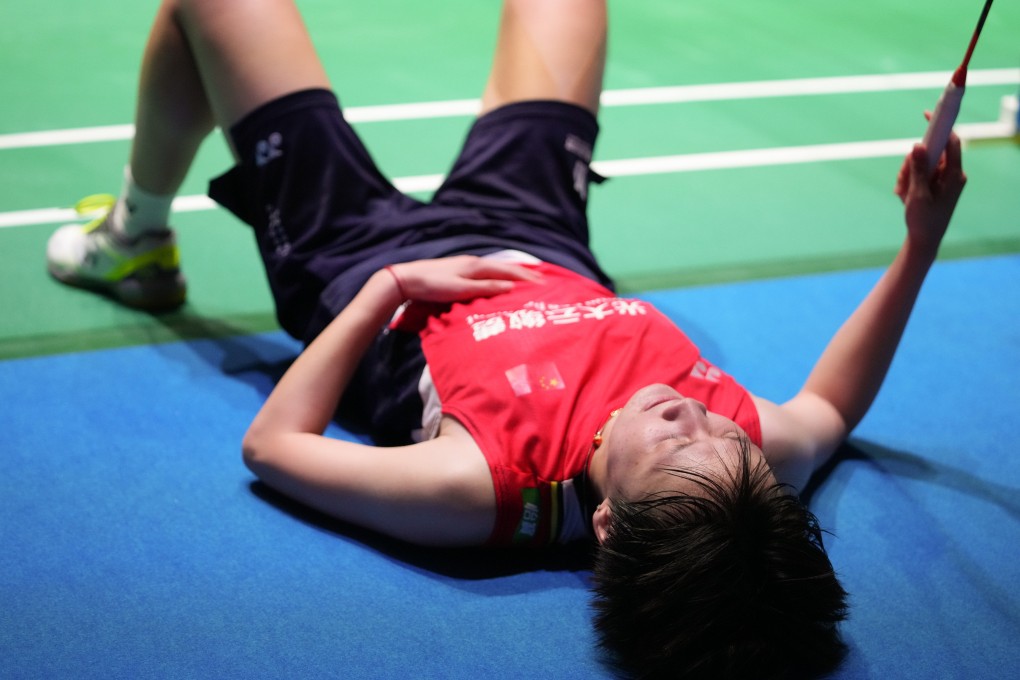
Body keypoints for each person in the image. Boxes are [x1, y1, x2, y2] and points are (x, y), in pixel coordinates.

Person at [44, 0, 967, 677]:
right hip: (538, 231)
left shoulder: (478, 489)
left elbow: (273, 447)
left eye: (677, 443)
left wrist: (386, 291)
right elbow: (829, 406)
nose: (700, 416)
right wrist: (919, 245)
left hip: (366, 257)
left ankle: (136, 237)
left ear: (608, 526)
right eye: (731, 440)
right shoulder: (742, 474)